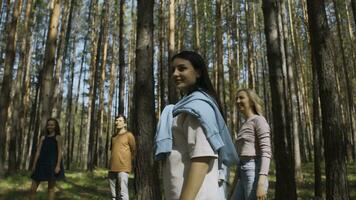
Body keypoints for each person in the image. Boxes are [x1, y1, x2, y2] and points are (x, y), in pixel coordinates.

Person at [154, 50, 238, 200]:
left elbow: (202, 157)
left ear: (198, 72)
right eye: (173, 69)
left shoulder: (197, 109)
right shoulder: (185, 107)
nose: (175, 73)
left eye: (182, 68)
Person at [231, 88, 272, 200]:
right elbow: (241, 157)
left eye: (241, 97)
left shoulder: (259, 120)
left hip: (254, 171)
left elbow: (266, 152)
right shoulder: (245, 124)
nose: (238, 101)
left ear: (251, 101)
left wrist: (261, 183)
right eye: (236, 99)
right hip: (242, 171)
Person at [29, 118, 65, 200]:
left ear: (55, 126)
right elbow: (38, 152)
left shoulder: (58, 137)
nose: (50, 126)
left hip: (52, 165)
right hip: (40, 164)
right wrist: (34, 165)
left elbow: (60, 152)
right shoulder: (43, 138)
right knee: (32, 189)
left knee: (51, 190)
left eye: (52, 125)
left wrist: (58, 166)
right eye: (48, 125)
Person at [108, 114, 136, 200]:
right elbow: (112, 151)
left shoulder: (129, 135)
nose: (117, 122)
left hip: (123, 168)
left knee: (123, 194)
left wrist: (127, 162)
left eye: (120, 121)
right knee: (113, 196)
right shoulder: (113, 137)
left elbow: (134, 150)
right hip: (112, 169)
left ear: (125, 124)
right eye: (116, 120)